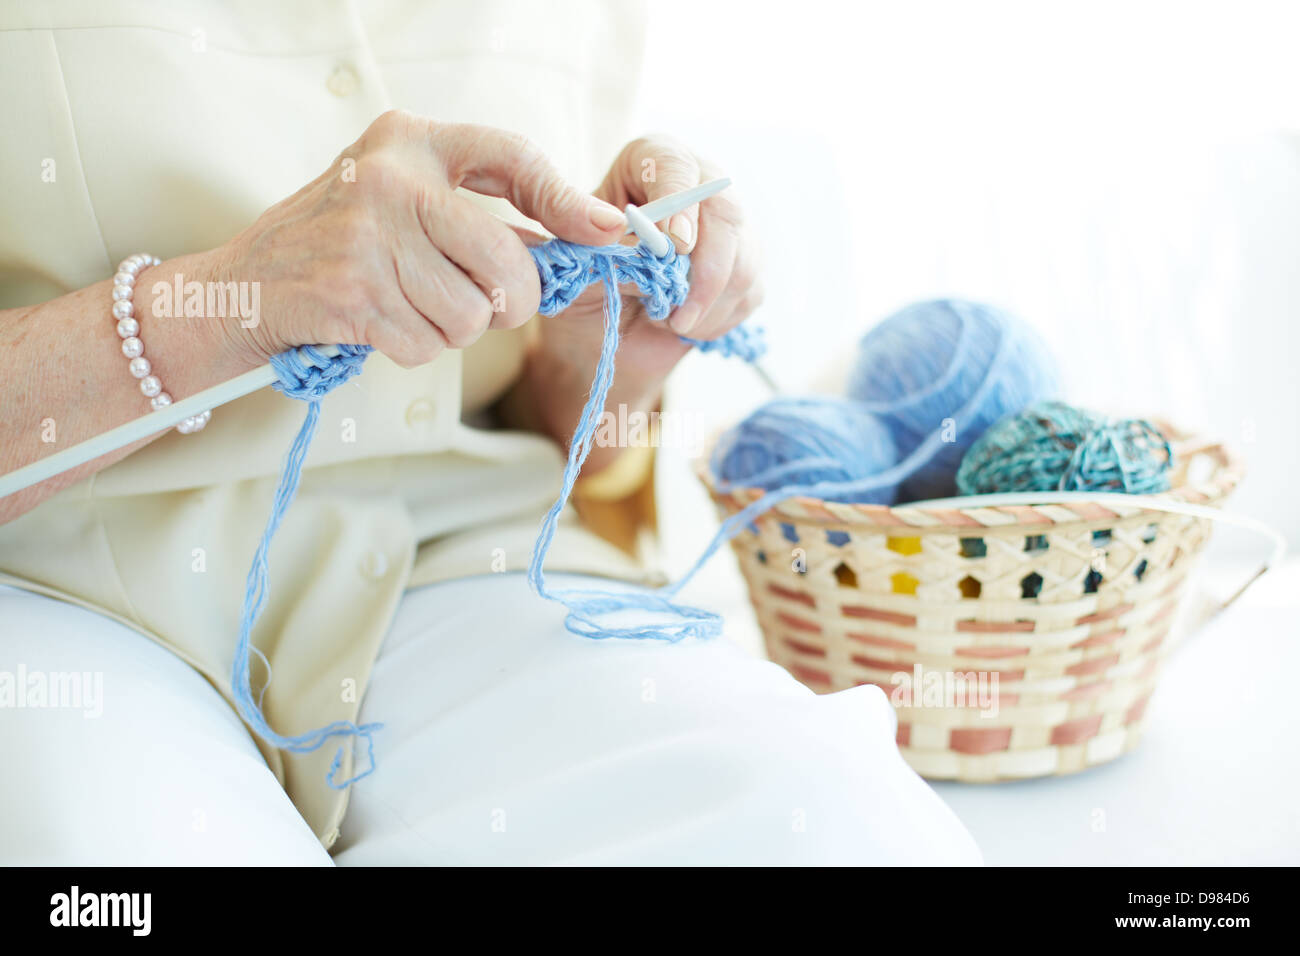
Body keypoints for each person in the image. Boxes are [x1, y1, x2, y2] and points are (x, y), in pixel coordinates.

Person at [0, 1, 980, 865]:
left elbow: (558, 439)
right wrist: (226, 304)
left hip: (459, 556)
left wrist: (603, 358)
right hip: (61, 586)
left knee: (837, 819)